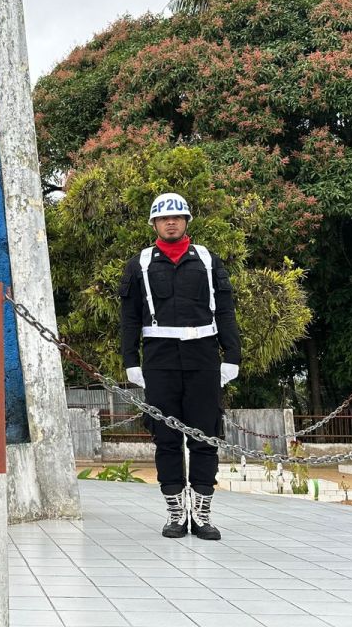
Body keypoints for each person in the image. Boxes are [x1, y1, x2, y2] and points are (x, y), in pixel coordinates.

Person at [119, 193, 241, 541]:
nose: (171, 222)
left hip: (204, 357)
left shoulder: (207, 260)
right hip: (159, 360)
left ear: (186, 221)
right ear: (155, 224)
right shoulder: (139, 264)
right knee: (166, 439)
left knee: (205, 437)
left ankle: (202, 514)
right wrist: (130, 360)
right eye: (164, 218)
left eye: (177, 217)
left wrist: (232, 355)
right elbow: (128, 318)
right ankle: (175, 513)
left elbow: (227, 312)